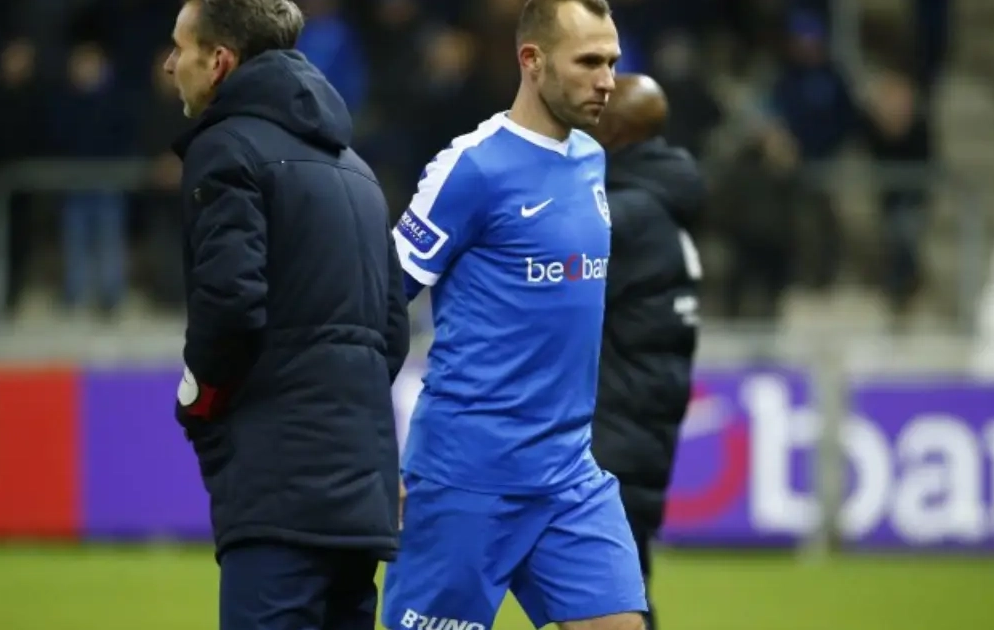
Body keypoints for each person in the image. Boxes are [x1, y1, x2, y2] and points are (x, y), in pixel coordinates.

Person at [383, 2, 648, 629]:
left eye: (612, 62)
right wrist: (370, 449)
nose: (608, 81)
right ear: (532, 60)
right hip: (465, 477)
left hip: (569, 474)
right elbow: (372, 308)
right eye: (589, 62)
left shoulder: (591, 159)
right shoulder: (470, 168)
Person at [163, 1, 411, 629]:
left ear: (219, 62)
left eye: (181, 48)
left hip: (277, 490)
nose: (169, 65)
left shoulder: (224, 148)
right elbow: (391, 331)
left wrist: (199, 405)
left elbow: (230, 307)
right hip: (360, 496)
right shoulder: (357, 169)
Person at [587, 74, 706, 630]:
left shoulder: (624, 217)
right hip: (637, 438)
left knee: (613, 605)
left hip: (607, 443)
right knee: (617, 597)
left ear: (612, 131)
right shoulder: (661, 206)